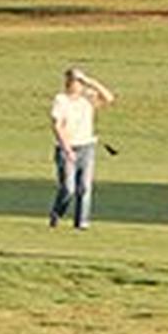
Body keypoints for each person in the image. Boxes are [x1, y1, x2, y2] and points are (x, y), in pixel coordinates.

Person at [48, 66, 115, 229]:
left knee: (84, 187)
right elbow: (57, 126)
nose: (75, 85)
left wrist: (90, 81)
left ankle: (81, 222)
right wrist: (67, 149)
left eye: (78, 82)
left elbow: (109, 98)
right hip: (67, 148)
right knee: (68, 188)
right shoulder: (61, 100)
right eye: (72, 81)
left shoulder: (88, 98)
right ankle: (56, 213)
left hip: (87, 146)